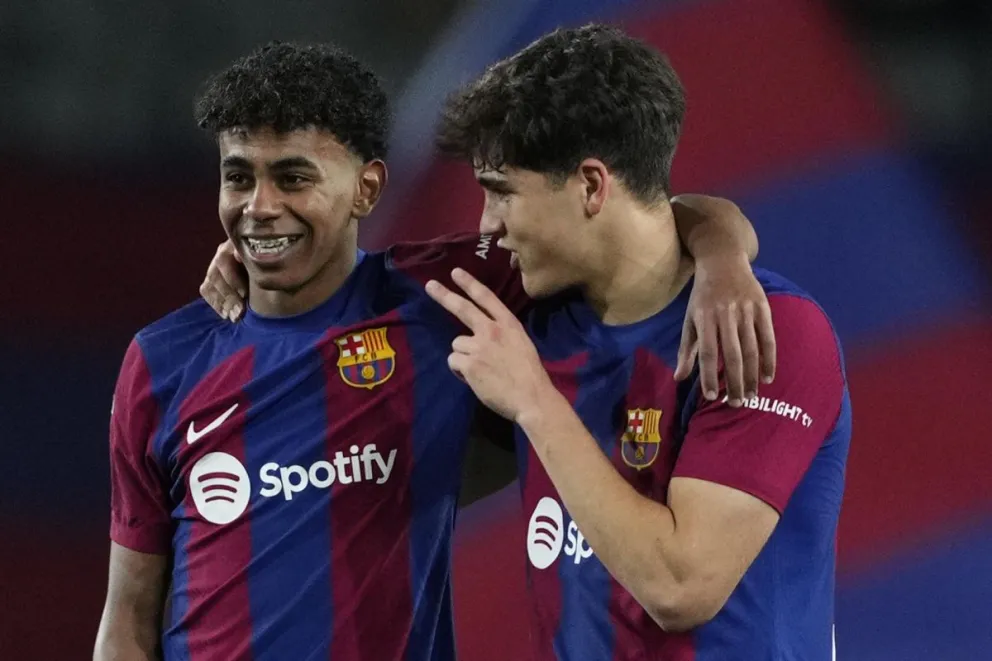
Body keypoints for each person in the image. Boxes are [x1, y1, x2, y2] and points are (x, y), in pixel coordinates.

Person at [94, 42, 773, 661]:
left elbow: (644, 218)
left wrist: (721, 260)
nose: (259, 205)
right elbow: (128, 614)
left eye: (293, 178)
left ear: (367, 188)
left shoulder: (443, 295)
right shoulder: (163, 360)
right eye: (239, 178)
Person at [424, 24, 850, 660]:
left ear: (592, 186)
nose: (486, 224)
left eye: (502, 191)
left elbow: (681, 588)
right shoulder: (531, 304)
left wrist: (535, 401)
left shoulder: (764, 331)